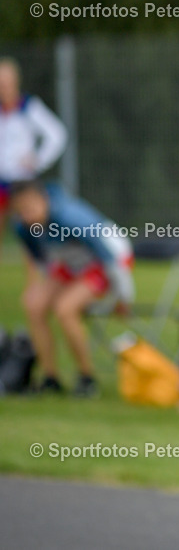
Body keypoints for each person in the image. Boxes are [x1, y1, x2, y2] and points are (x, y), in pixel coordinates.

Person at [10, 181, 133, 397]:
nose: (27, 216)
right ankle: (51, 378)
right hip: (71, 264)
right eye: (21, 211)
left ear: (44, 200)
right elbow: (41, 260)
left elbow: (110, 258)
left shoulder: (70, 218)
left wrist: (123, 298)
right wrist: (38, 285)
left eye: (30, 208)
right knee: (34, 305)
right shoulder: (23, 227)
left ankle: (87, 378)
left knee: (65, 309)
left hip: (108, 260)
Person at [0, 57, 68, 251]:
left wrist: (38, 160)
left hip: (23, 180)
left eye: (5, 82)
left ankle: (35, 279)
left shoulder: (29, 107)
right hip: (1, 180)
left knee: (30, 231)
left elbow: (57, 134)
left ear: (15, 82)